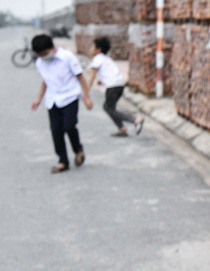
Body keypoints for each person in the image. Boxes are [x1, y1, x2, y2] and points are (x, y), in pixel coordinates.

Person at [29, 33, 92, 173]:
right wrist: (38, 98)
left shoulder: (67, 57)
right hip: (52, 99)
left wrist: (86, 97)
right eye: (40, 54)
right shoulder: (40, 62)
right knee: (56, 131)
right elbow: (46, 81)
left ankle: (78, 149)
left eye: (45, 53)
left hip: (70, 96)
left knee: (69, 126)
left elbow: (80, 76)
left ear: (52, 47)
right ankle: (63, 161)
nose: (43, 56)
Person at [85, 36, 144, 137]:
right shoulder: (106, 59)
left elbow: (92, 77)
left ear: (98, 49)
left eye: (92, 46)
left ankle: (135, 120)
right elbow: (109, 73)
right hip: (119, 85)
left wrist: (86, 90)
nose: (91, 49)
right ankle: (122, 128)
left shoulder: (97, 59)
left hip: (113, 87)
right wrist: (102, 81)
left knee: (109, 109)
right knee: (109, 108)